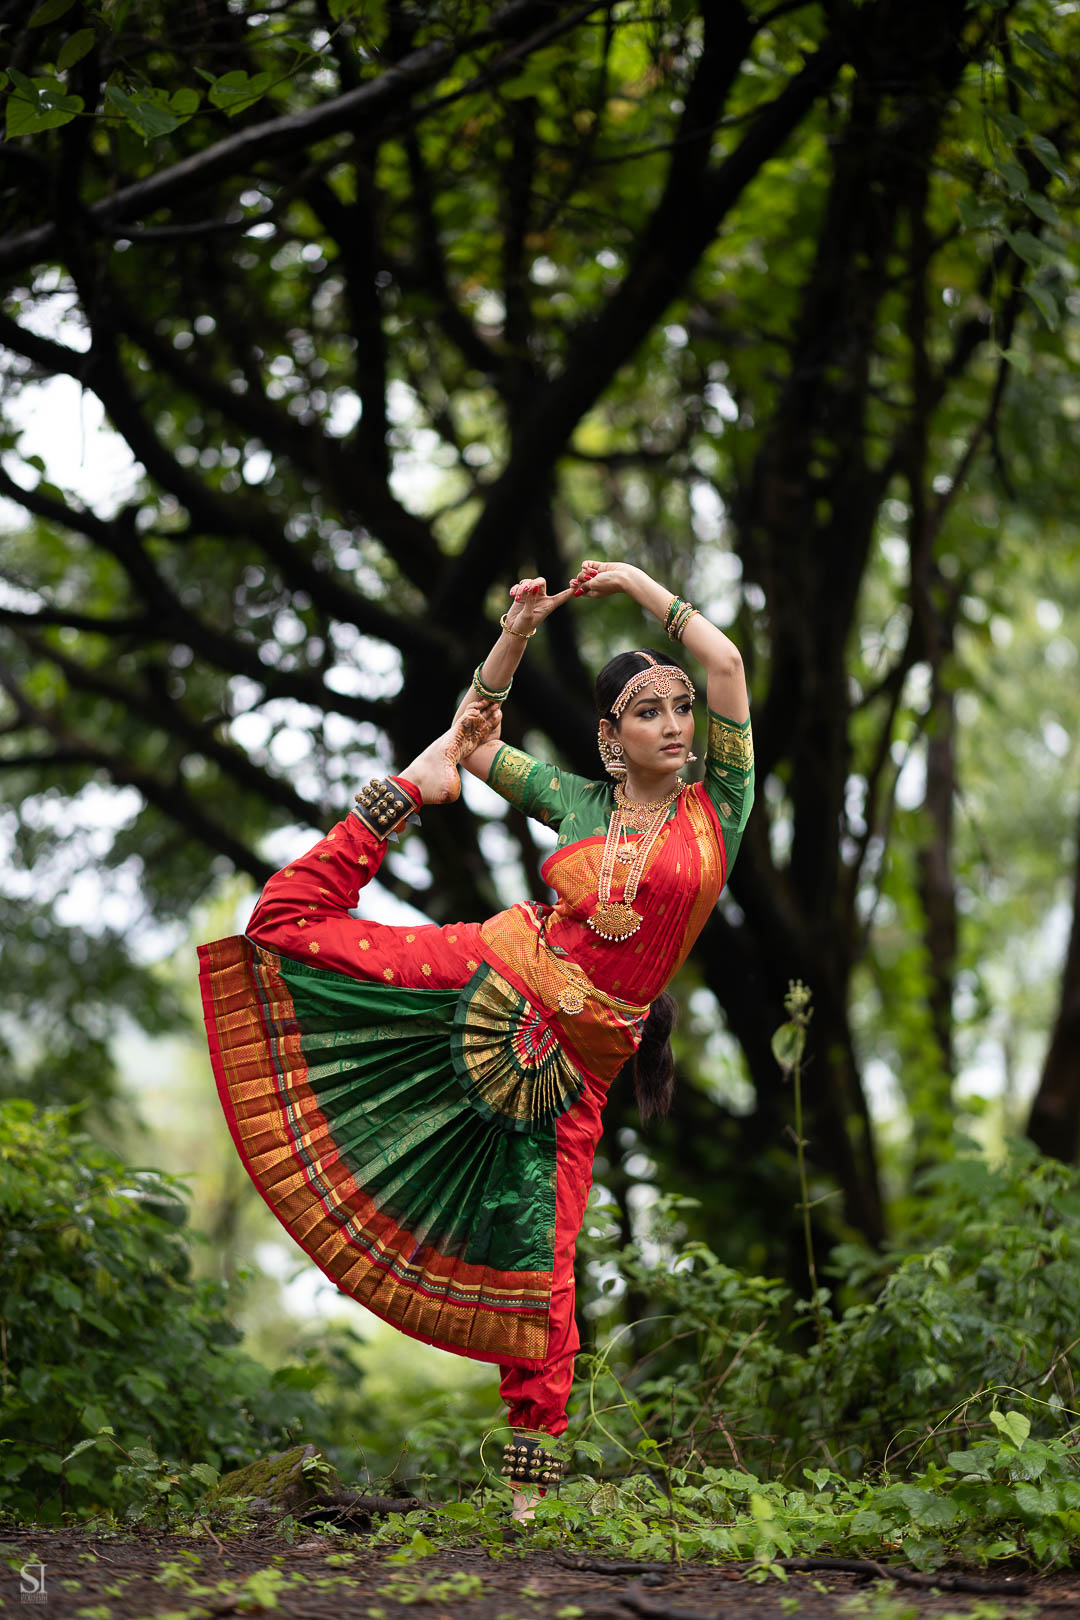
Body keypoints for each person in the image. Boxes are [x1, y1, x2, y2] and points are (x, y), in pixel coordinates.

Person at [197, 559, 753, 1520]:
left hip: (575, 1070)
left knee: (544, 1276)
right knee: (284, 931)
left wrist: (634, 586)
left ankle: (528, 1504)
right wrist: (515, 636)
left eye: (679, 707)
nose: (673, 721)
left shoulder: (720, 811)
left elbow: (728, 659)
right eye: (648, 710)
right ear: (612, 741)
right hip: (490, 975)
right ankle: (402, 794)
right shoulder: (579, 804)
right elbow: (477, 731)